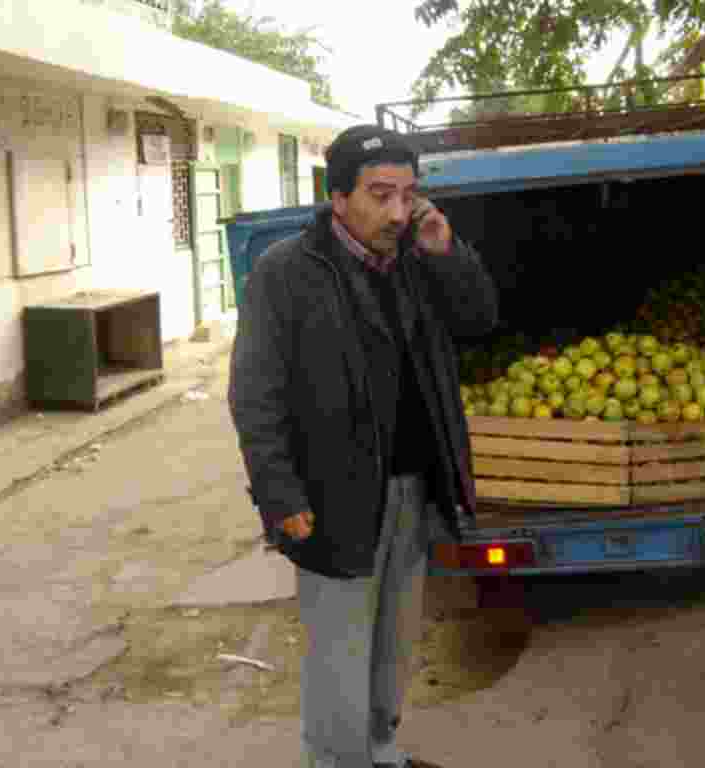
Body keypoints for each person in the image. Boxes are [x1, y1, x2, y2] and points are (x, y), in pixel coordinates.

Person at [228, 124, 498, 768]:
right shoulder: (287, 273)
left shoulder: (417, 260)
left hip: (412, 486)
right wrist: (279, 495)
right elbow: (255, 395)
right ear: (338, 195)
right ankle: (337, 760)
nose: (399, 212)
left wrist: (448, 252)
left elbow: (480, 320)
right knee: (340, 648)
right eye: (381, 195)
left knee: (394, 643)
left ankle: (381, 749)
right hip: (331, 495)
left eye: (409, 196)